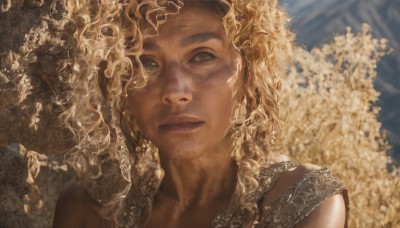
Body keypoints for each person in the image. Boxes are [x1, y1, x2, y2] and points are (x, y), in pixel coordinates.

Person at [53, 0, 349, 227]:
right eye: (146, 61)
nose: (174, 90)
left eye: (202, 56)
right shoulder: (88, 209)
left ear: (249, 71)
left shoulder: (300, 201)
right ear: (117, 79)